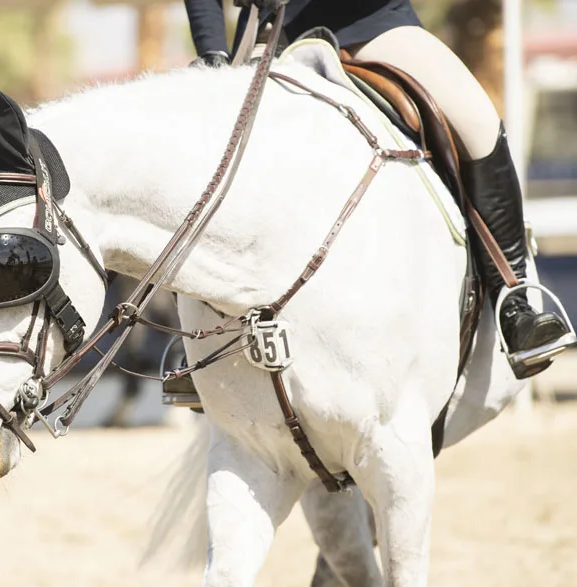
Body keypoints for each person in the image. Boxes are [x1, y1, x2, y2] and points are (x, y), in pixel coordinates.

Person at [181, 0, 575, 379]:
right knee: (205, 155)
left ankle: (515, 304)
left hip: (368, 27)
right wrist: (212, 48)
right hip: (268, 36)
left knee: (478, 123)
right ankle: (201, 345)